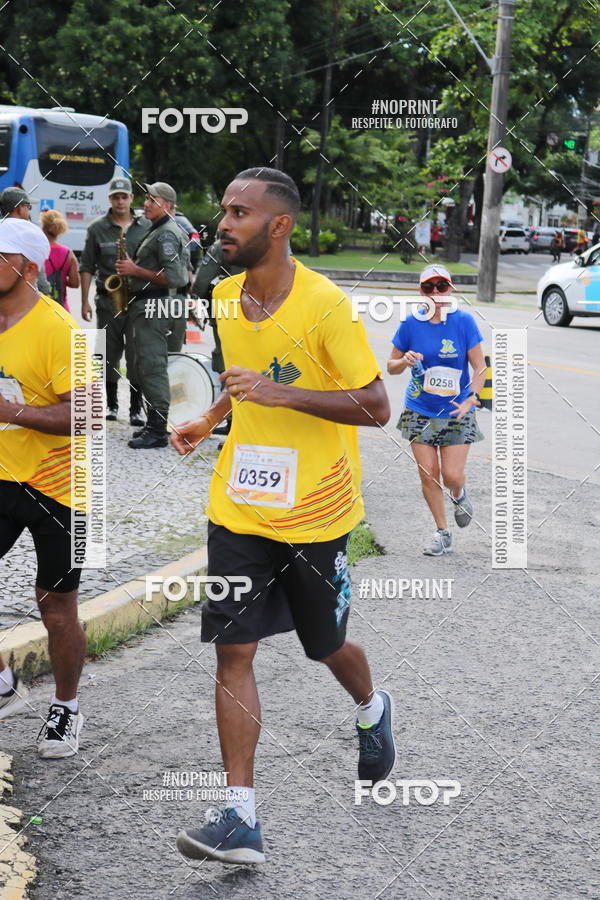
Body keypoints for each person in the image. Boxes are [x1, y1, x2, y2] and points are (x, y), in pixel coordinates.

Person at [171, 167, 395, 866]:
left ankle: (371, 707)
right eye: (223, 209)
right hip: (239, 502)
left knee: (326, 646)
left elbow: (375, 406)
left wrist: (281, 393)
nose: (223, 223)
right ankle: (241, 819)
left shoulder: (326, 306)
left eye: (239, 212)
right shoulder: (225, 296)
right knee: (233, 649)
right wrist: (209, 417)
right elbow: (245, 384)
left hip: (318, 510)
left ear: (279, 225)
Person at [0, 218, 86, 757]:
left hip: (63, 488)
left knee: (56, 607)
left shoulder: (62, 331)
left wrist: (11, 410)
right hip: (1, 475)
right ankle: (4, 684)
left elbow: (88, 414)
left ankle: (66, 708)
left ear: (28, 269)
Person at [388, 264, 486, 556]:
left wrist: (472, 397)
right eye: (428, 287)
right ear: (420, 291)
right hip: (419, 409)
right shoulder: (410, 324)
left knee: (452, 475)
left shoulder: (464, 322)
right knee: (428, 475)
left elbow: (480, 367)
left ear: (450, 289)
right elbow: (390, 367)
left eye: (441, 286)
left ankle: (459, 493)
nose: (435, 292)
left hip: (457, 409)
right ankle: (442, 533)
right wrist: (404, 360)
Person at [115, 181, 189, 449]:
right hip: (150, 307)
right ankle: (153, 423)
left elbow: (176, 277)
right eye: (146, 199)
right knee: (147, 366)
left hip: (155, 308)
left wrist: (135, 271)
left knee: (153, 366)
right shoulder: (158, 230)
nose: (145, 203)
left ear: (167, 205)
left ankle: (158, 430)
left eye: (152, 200)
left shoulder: (166, 234)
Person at [79, 177, 150, 425]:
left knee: (136, 355)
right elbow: (86, 265)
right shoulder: (97, 228)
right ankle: (110, 404)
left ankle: (135, 409)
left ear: (132, 198)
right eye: (115, 197)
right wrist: (84, 302)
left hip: (138, 301)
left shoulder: (145, 225)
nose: (120, 201)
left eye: (124, 196)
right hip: (108, 301)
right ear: (109, 199)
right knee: (107, 355)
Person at [192, 238, 245, 435]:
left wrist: (200, 294)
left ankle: (232, 424)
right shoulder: (269, 239)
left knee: (227, 362)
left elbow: (202, 281)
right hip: (264, 311)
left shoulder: (223, 242)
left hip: (230, 309)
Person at [0, 187, 51, 295]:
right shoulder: (30, 232)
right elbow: (39, 273)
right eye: (29, 207)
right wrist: (46, 291)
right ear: (20, 208)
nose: (29, 211)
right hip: (21, 298)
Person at [40, 209, 79, 311]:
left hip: (40, 307)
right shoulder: (68, 253)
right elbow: (75, 283)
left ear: (44, 228)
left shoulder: (37, 250)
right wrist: (61, 279)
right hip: (61, 309)